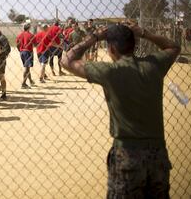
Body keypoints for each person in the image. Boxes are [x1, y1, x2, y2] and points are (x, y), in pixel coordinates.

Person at [61, 22, 181, 198]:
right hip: (157, 153)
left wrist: (95, 37)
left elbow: (67, 60)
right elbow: (173, 46)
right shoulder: (153, 65)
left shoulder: (110, 72)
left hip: (127, 153)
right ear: (135, 44)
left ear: (111, 49)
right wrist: (144, 33)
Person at [16, 23, 36, 88]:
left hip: (22, 52)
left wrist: (20, 50)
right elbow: (35, 44)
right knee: (27, 68)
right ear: (29, 28)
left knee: (27, 67)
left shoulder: (19, 35)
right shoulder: (31, 35)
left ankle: (30, 80)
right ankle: (23, 84)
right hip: (28, 52)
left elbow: (17, 44)